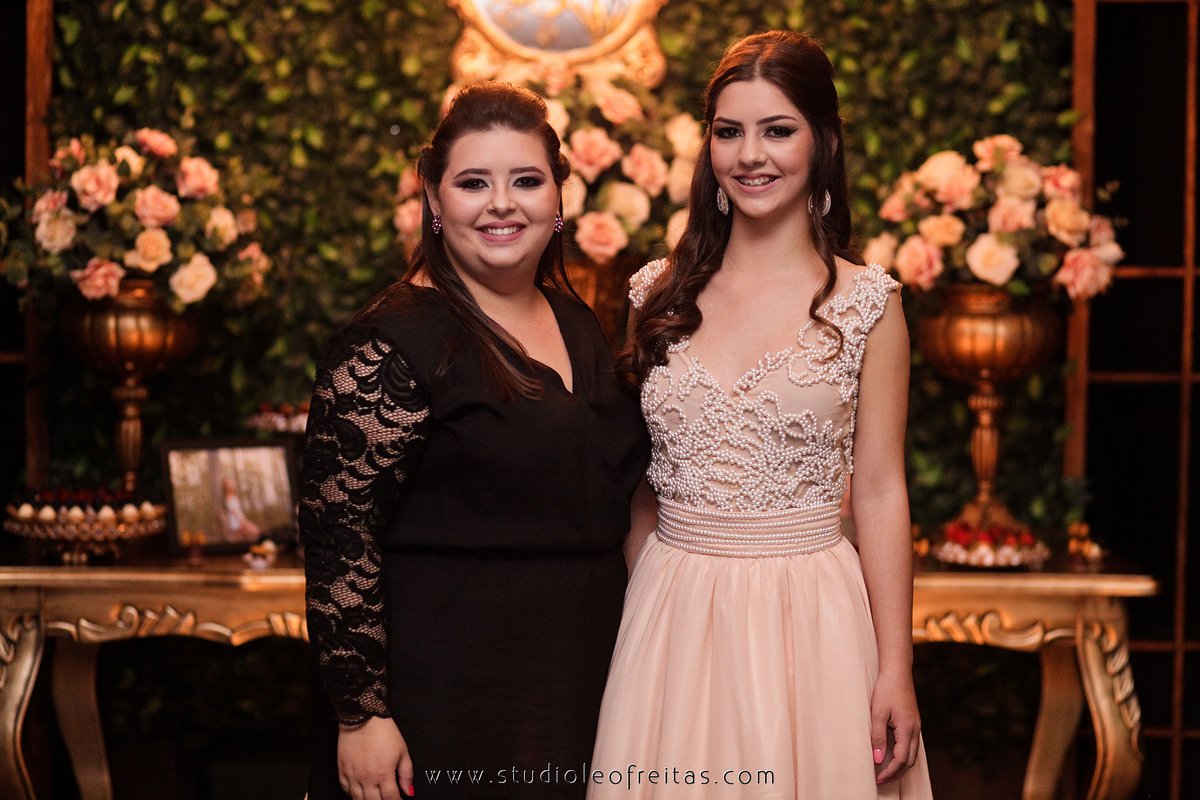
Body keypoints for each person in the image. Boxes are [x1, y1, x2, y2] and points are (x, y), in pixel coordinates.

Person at [588, 31, 934, 798]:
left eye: (777, 130)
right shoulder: (655, 294)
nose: (750, 155)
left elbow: (881, 492)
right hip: (673, 613)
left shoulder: (868, 306)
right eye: (729, 131)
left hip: (811, 620)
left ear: (823, 143)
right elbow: (636, 475)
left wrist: (895, 668)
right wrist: (656, 590)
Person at [299, 82, 649, 800]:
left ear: (559, 197)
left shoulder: (577, 321)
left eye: (526, 180)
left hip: (583, 681)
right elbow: (339, 542)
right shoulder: (390, 344)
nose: (502, 204)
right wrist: (362, 716)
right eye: (473, 183)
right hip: (450, 699)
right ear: (434, 197)